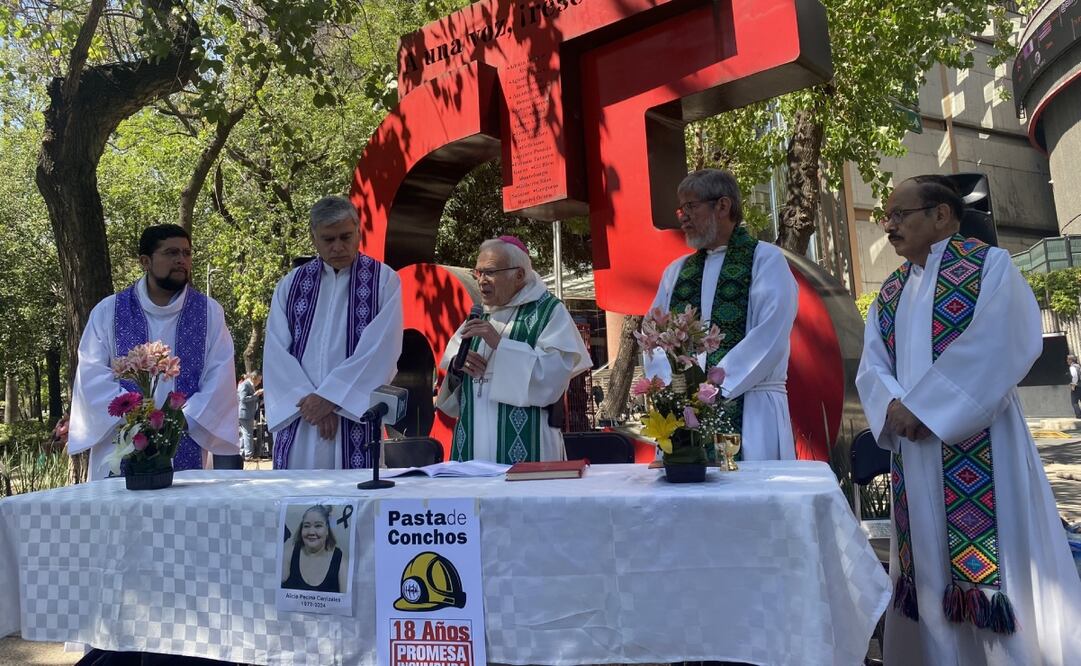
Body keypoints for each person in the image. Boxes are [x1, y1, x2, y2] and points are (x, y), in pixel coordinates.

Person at [856, 175, 1081, 665]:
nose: (889, 227)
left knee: (996, 574)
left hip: (983, 445)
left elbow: (1004, 343)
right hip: (914, 456)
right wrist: (894, 407)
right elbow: (872, 366)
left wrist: (927, 408)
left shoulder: (989, 267)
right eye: (886, 218)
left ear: (941, 215)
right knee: (928, 574)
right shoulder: (890, 292)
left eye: (900, 215)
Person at [644, 168, 798, 460]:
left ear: (723, 206)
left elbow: (770, 333)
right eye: (681, 209)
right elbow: (653, 337)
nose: (683, 217)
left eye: (691, 206)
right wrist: (675, 394)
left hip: (752, 408)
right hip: (684, 416)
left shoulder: (765, 260)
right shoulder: (676, 273)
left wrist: (714, 388)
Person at [68, 224, 239, 481]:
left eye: (186, 253)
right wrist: (139, 419)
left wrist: (173, 421)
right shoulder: (109, 312)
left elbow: (220, 378)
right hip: (123, 438)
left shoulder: (208, 313)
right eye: (171, 253)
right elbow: (90, 377)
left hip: (185, 440)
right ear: (145, 261)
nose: (182, 260)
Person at [263, 195, 403, 469]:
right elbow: (276, 351)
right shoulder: (291, 284)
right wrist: (311, 403)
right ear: (313, 238)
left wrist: (331, 398)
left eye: (345, 236)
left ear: (359, 232)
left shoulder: (383, 280)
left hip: (351, 418)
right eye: (328, 239)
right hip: (301, 417)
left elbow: (382, 348)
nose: (338, 247)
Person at [436, 236, 591, 463]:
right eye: (477, 273)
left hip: (530, 442)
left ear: (519, 274)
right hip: (472, 442)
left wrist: (500, 344)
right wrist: (457, 366)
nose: (481, 281)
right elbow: (452, 382)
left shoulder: (549, 312)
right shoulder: (480, 313)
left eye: (489, 272)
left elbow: (552, 379)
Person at [281, 505, 346, 593]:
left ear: (327, 530)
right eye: (306, 526)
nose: (311, 532)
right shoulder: (289, 554)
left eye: (318, 526)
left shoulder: (339, 559)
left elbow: (346, 601)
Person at [237, 372, 263, 458]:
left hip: (245, 413)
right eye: (259, 380)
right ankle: (248, 454)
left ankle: (242, 453)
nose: (260, 382)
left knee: (244, 434)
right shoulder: (245, 385)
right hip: (245, 413)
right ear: (254, 378)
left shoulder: (248, 384)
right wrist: (256, 395)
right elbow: (243, 399)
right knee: (248, 433)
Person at [1068, 355, 1081, 419]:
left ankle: (1079, 415)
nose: (1067, 361)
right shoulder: (1079, 366)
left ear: (1071, 360)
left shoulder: (1072, 367)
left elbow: (1075, 376)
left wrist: (1073, 385)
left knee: (1074, 402)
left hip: (1077, 386)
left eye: (1068, 359)